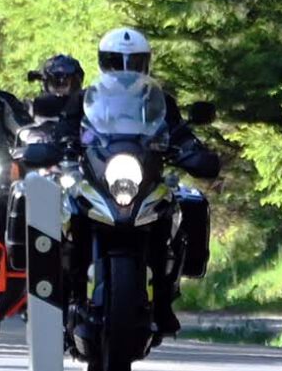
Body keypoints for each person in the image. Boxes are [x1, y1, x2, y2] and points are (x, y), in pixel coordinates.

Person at [76, 26, 220, 337]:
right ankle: (58, 289)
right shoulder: (87, 99)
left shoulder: (160, 101)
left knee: (186, 206)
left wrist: (191, 150)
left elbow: (179, 131)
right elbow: (66, 127)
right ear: (104, 62)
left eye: (134, 60)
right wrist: (55, 141)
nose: (126, 69)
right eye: (117, 61)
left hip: (145, 179)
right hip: (100, 178)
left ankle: (165, 296)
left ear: (146, 62)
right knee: (64, 207)